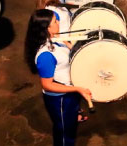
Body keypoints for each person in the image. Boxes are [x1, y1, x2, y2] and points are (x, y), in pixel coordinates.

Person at [24, 9, 92, 146]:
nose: (59, 22)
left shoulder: (55, 39)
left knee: (70, 124)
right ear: (47, 28)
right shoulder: (45, 56)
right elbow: (47, 85)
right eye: (55, 21)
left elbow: (70, 51)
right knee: (64, 133)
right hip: (60, 99)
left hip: (70, 91)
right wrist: (77, 88)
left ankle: (73, 116)